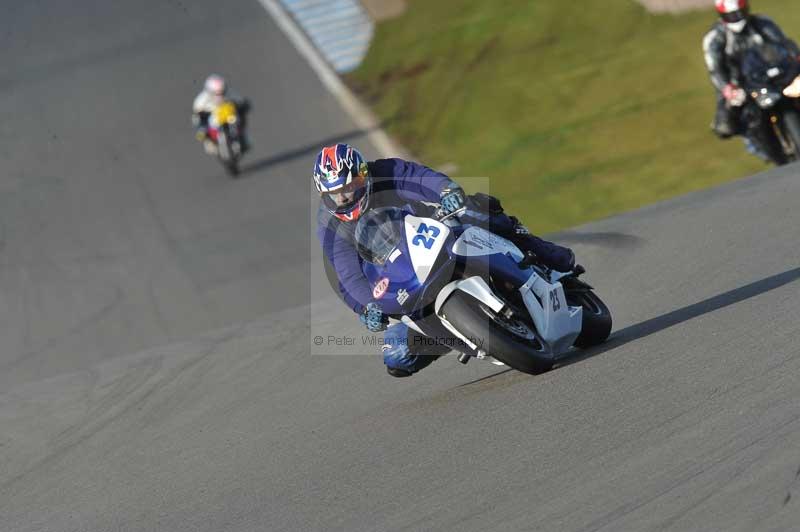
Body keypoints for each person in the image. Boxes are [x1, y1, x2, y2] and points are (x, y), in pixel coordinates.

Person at [314, 143, 577, 378]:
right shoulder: (329, 225)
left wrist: (446, 190)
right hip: (402, 279)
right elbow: (346, 275)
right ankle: (462, 335)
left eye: (350, 187)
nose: (345, 197)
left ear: (364, 175)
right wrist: (367, 307)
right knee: (396, 356)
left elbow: (421, 179)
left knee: (478, 210)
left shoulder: (386, 171)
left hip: (434, 232)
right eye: (336, 193)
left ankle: (541, 251)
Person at [703, 0, 800, 161]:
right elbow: (715, 68)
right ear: (722, 15)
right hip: (740, 82)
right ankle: (754, 140)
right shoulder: (715, 37)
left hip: (772, 74)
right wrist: (727, 87)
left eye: (740, 12)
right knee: (726, 121)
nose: (738, 18)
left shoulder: (762, 23)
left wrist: (795, 57)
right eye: (732, 15)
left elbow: (784, 43)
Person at [191, 74, 251, 154]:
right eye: (216, 93)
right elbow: (197, 111)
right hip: (212, 118)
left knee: (239, 119)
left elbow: (240, 101)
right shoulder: (202, 99)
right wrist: (202, 117)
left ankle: (242, 139)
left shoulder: (230, 93)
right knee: (200, 128)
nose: (219, 96)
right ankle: (210, 142)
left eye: (221, 93)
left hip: (228, 115)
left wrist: (243, 105)